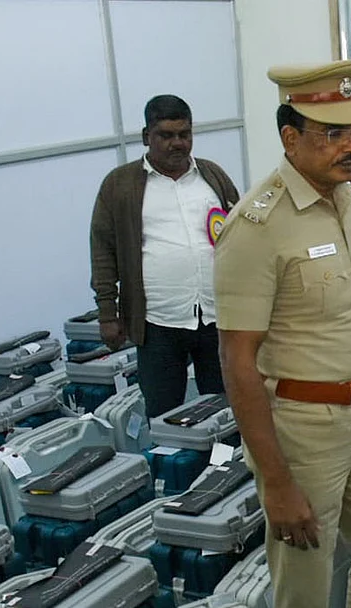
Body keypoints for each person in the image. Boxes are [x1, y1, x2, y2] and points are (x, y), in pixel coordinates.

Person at [214, 61, 351, 608]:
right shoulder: (256, 227)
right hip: (300, 429)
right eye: (331, 133)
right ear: (289, 136)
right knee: (304, 592)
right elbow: (238, 364)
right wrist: (275, 481)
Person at [89, 94, 240, 418]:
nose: (177, 144)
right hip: (158, 322)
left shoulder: (212, 176)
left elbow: (241, 235)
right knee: (164, 413)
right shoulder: (120, 185)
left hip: (217, 317)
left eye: (184, 134)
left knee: (226, 409)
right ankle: (173, 466)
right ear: (147, 137)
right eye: (166, 135)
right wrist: (107, 312)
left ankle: (225, 466)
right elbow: (103, 250)